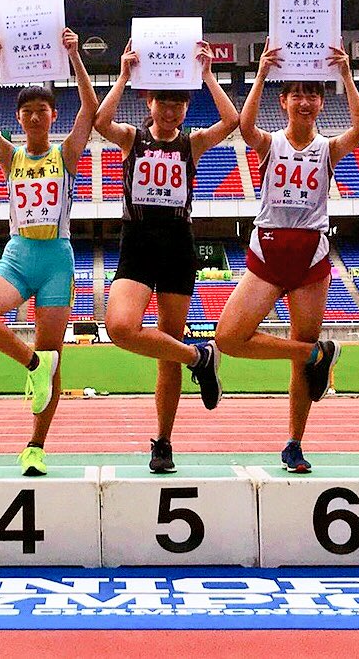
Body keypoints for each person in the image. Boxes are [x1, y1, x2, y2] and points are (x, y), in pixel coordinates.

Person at [214, 42, 359, 473]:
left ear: (321, 103)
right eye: (296, 94)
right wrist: (261, 72)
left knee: (304, 346)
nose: (304, 101)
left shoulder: (327, 148)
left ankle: (295, 442)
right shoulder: (270, 143)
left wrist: (347, 75)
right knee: (229, 338)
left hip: (311, 255)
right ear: (283, 101)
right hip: (268, 250)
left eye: (312, 94)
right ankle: (314, 354)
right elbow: (245, 128)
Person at [94, 39, 239, 473]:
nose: (172, 110)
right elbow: (100, 120)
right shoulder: (131, 139)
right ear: (150, 102)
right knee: (121, 326)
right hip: (137, 241)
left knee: (166, 348)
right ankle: (201, 356)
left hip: (177, 243)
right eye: (164, 102)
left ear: (185, 107)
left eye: (179, 103)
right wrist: (122, 74)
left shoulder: (191, 144)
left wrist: (208, 74)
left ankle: (163, 442)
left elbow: (231, 120)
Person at [0, 28, 98, 476]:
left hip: (57, 259)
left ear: (52, 116)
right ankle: (31, 364)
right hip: (18, 256)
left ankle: (36, 445)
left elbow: (91, 111)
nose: (35, 118)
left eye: (42, 111)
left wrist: (75, 57)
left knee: (54, 353)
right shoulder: (11, 157)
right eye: (28, 112)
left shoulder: (66, 156)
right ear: (19, 118)